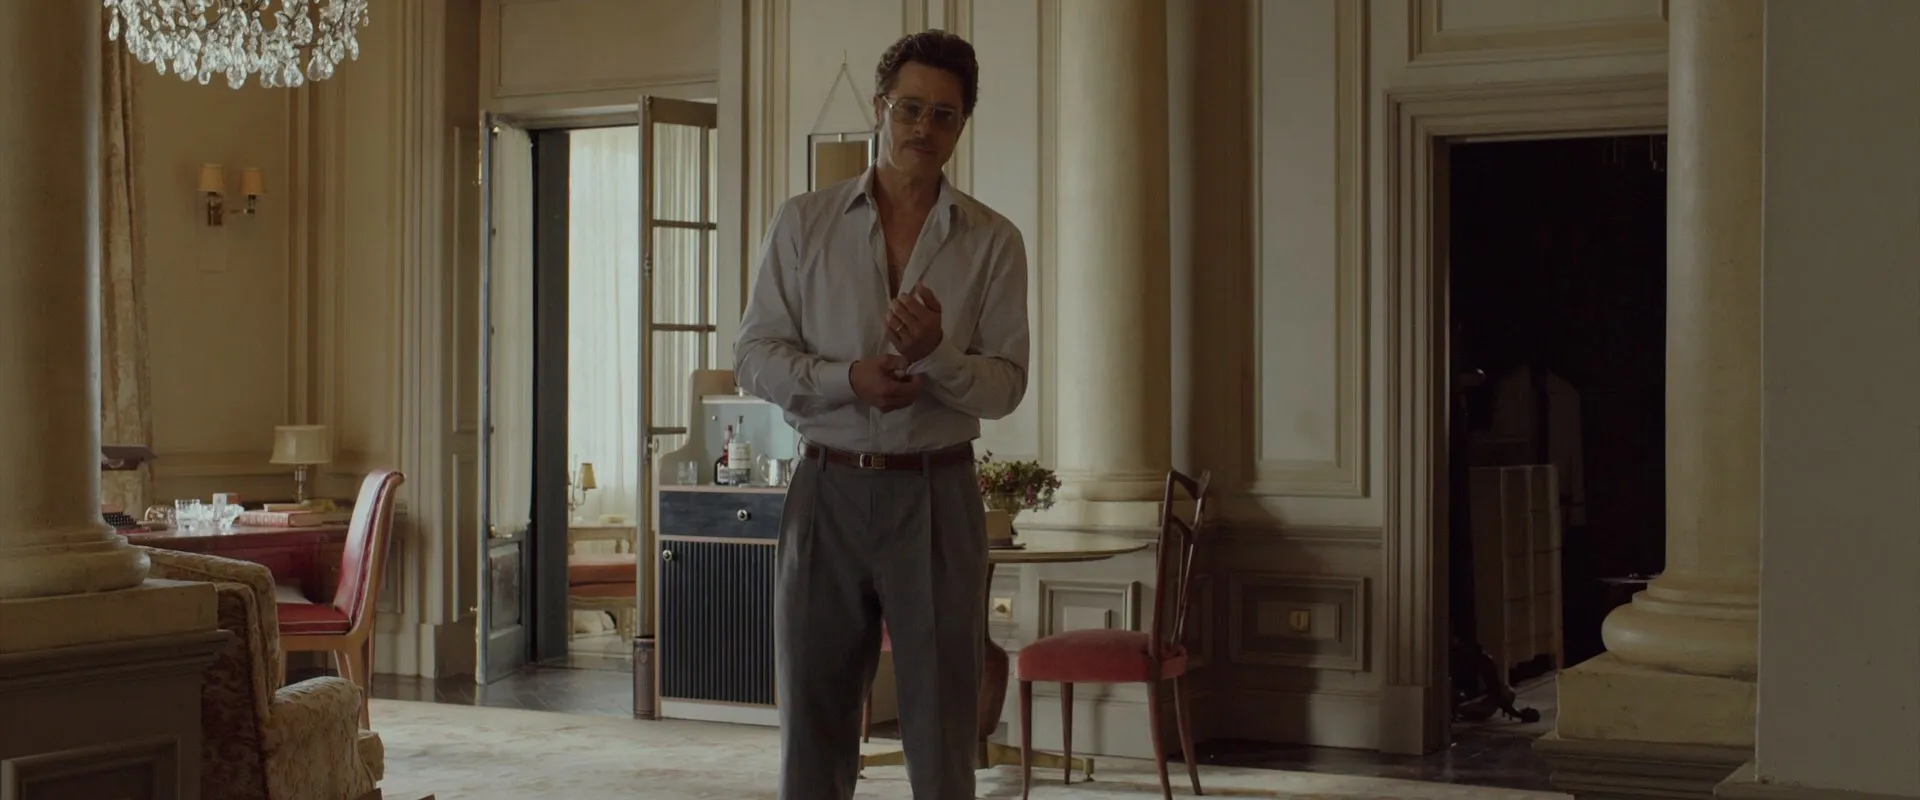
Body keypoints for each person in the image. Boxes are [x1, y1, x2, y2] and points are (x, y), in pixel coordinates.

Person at [733, 29, 1030, 800]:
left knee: (941, 736)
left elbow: (1005, 387)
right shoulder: (803, 223)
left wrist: (937, 354)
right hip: (825, 490)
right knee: (813, 729)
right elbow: (754, 356)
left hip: (937, 494)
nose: (923, 128)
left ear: (961, 125)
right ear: (879, 108)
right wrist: (847, 379)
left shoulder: (994, 242)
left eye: (944, 114)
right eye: (910, 108)